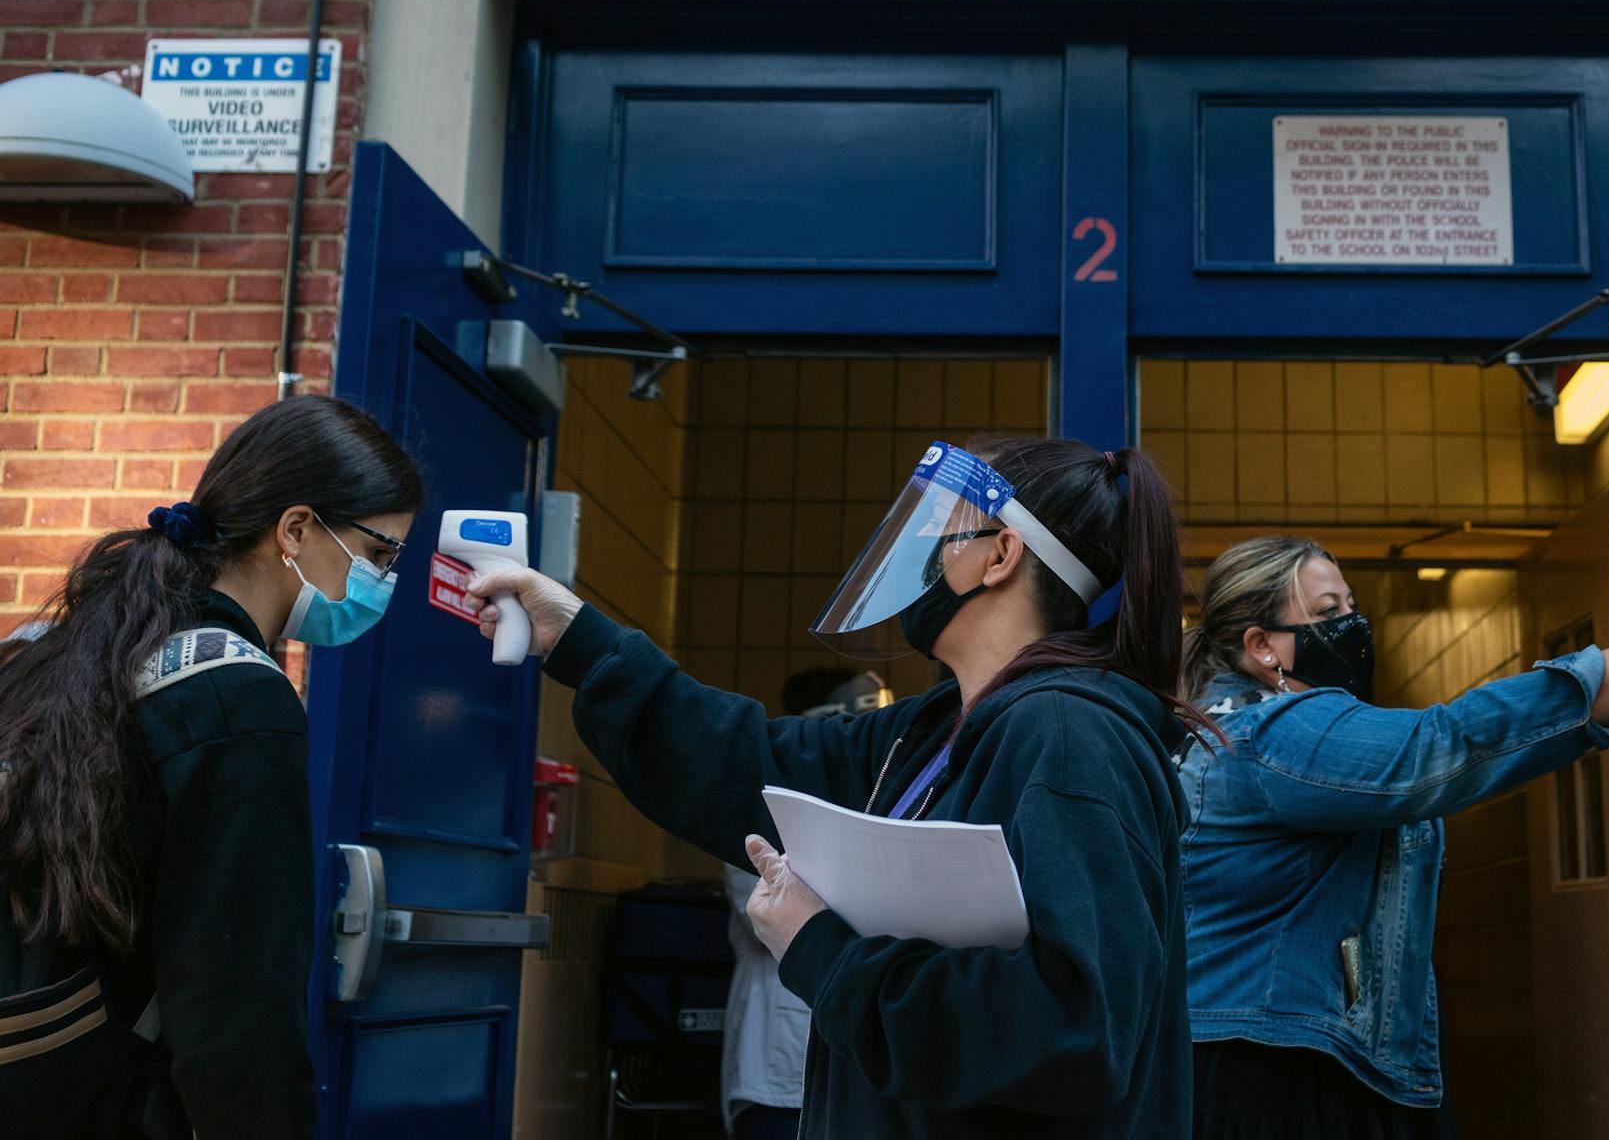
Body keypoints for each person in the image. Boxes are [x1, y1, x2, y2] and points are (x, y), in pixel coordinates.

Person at [470, 436, 1206, 1138]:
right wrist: (577, 638)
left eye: (939, 534)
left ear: (1000, 556)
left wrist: (818, 947)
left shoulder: (1070, 739)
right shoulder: (934, 731)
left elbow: (1070, 1029)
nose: (916, 553)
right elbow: (740, 761)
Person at [1175, 535, 1609, 1139]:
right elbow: (1441, 745)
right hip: (1270, 1077)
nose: (1352, 625)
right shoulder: (1271, 734)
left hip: (1290, 1059)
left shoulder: (1239, 730)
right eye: (1327, 613)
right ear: (1262, 646)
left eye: (1351, 607)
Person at [0, 395, 423, 1137]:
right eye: (381, 554)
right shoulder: (238, 699)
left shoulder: (53, 649)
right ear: (295, 529)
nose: (383, 580)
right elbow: (238, 1006)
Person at [723, 670, 890, 1139]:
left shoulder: (879, 799)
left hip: (858, 1066)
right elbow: (764, 909)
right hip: (779, 1070)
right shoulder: (767, 802)